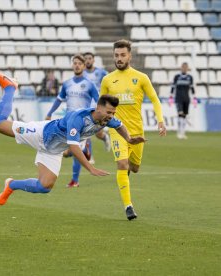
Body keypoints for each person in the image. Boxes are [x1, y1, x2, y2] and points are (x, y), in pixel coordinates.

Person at [0, 72, 146, 206]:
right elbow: (74, 147)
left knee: (45, 186)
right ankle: (10, 87)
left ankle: (11, 185)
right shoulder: (78, 117)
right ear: (98, 108)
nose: (111, 116)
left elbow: (119, 125)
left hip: (54, 150)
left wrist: (129, 139)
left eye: (113, 113)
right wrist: (90, 168)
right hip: (40, 134)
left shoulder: (107, 118)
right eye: (109, 112)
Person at [100, 39, 167, 220]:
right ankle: (128, 206)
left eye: (123, 55)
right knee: (122, 164)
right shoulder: (107, 80)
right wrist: (100, 122)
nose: (119, 58)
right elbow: (101, 105)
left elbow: (154, 99)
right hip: (116, 129)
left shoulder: (141, 78)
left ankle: (127, 173)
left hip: (137, 130)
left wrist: (160, 120)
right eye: (116, 55)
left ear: (130, 55)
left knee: (134, 167)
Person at [45, 54, 99, 188]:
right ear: (72, 65)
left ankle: (75, 180)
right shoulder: (67, 83)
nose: (77, 65)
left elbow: (99, 101)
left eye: (79, 63)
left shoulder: (89, 85)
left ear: (83, 66)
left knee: (74, 151)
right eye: (75, 63)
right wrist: (49, 113)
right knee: (66, 151)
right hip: (68, 121)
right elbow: (59, 99)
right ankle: (86, 152)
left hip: (82, 122)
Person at [83, 52, 111, 154]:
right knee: (85, 131)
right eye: (85, 58)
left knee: (98, 134)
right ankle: (88, 155)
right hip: (86, 105)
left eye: (89, 58)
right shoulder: (82, 73)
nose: (88, 60)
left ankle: (104, 137)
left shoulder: (101, 72)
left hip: (99, 105)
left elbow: (110, 82)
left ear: (93, 60)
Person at [170, 62, 196, 139]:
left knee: (184, 115)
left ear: (187, 68)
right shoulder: (177, 77)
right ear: (181, 68)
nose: (184, 68)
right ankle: (179, 132)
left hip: (186, 99)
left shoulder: (190, 77)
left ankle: (183, 132)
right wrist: (171, 96)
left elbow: (192, 88)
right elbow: (173, 87)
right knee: (180, 114)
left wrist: (194, 97)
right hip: (178, 98)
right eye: (183, 67)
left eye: (186, 67)